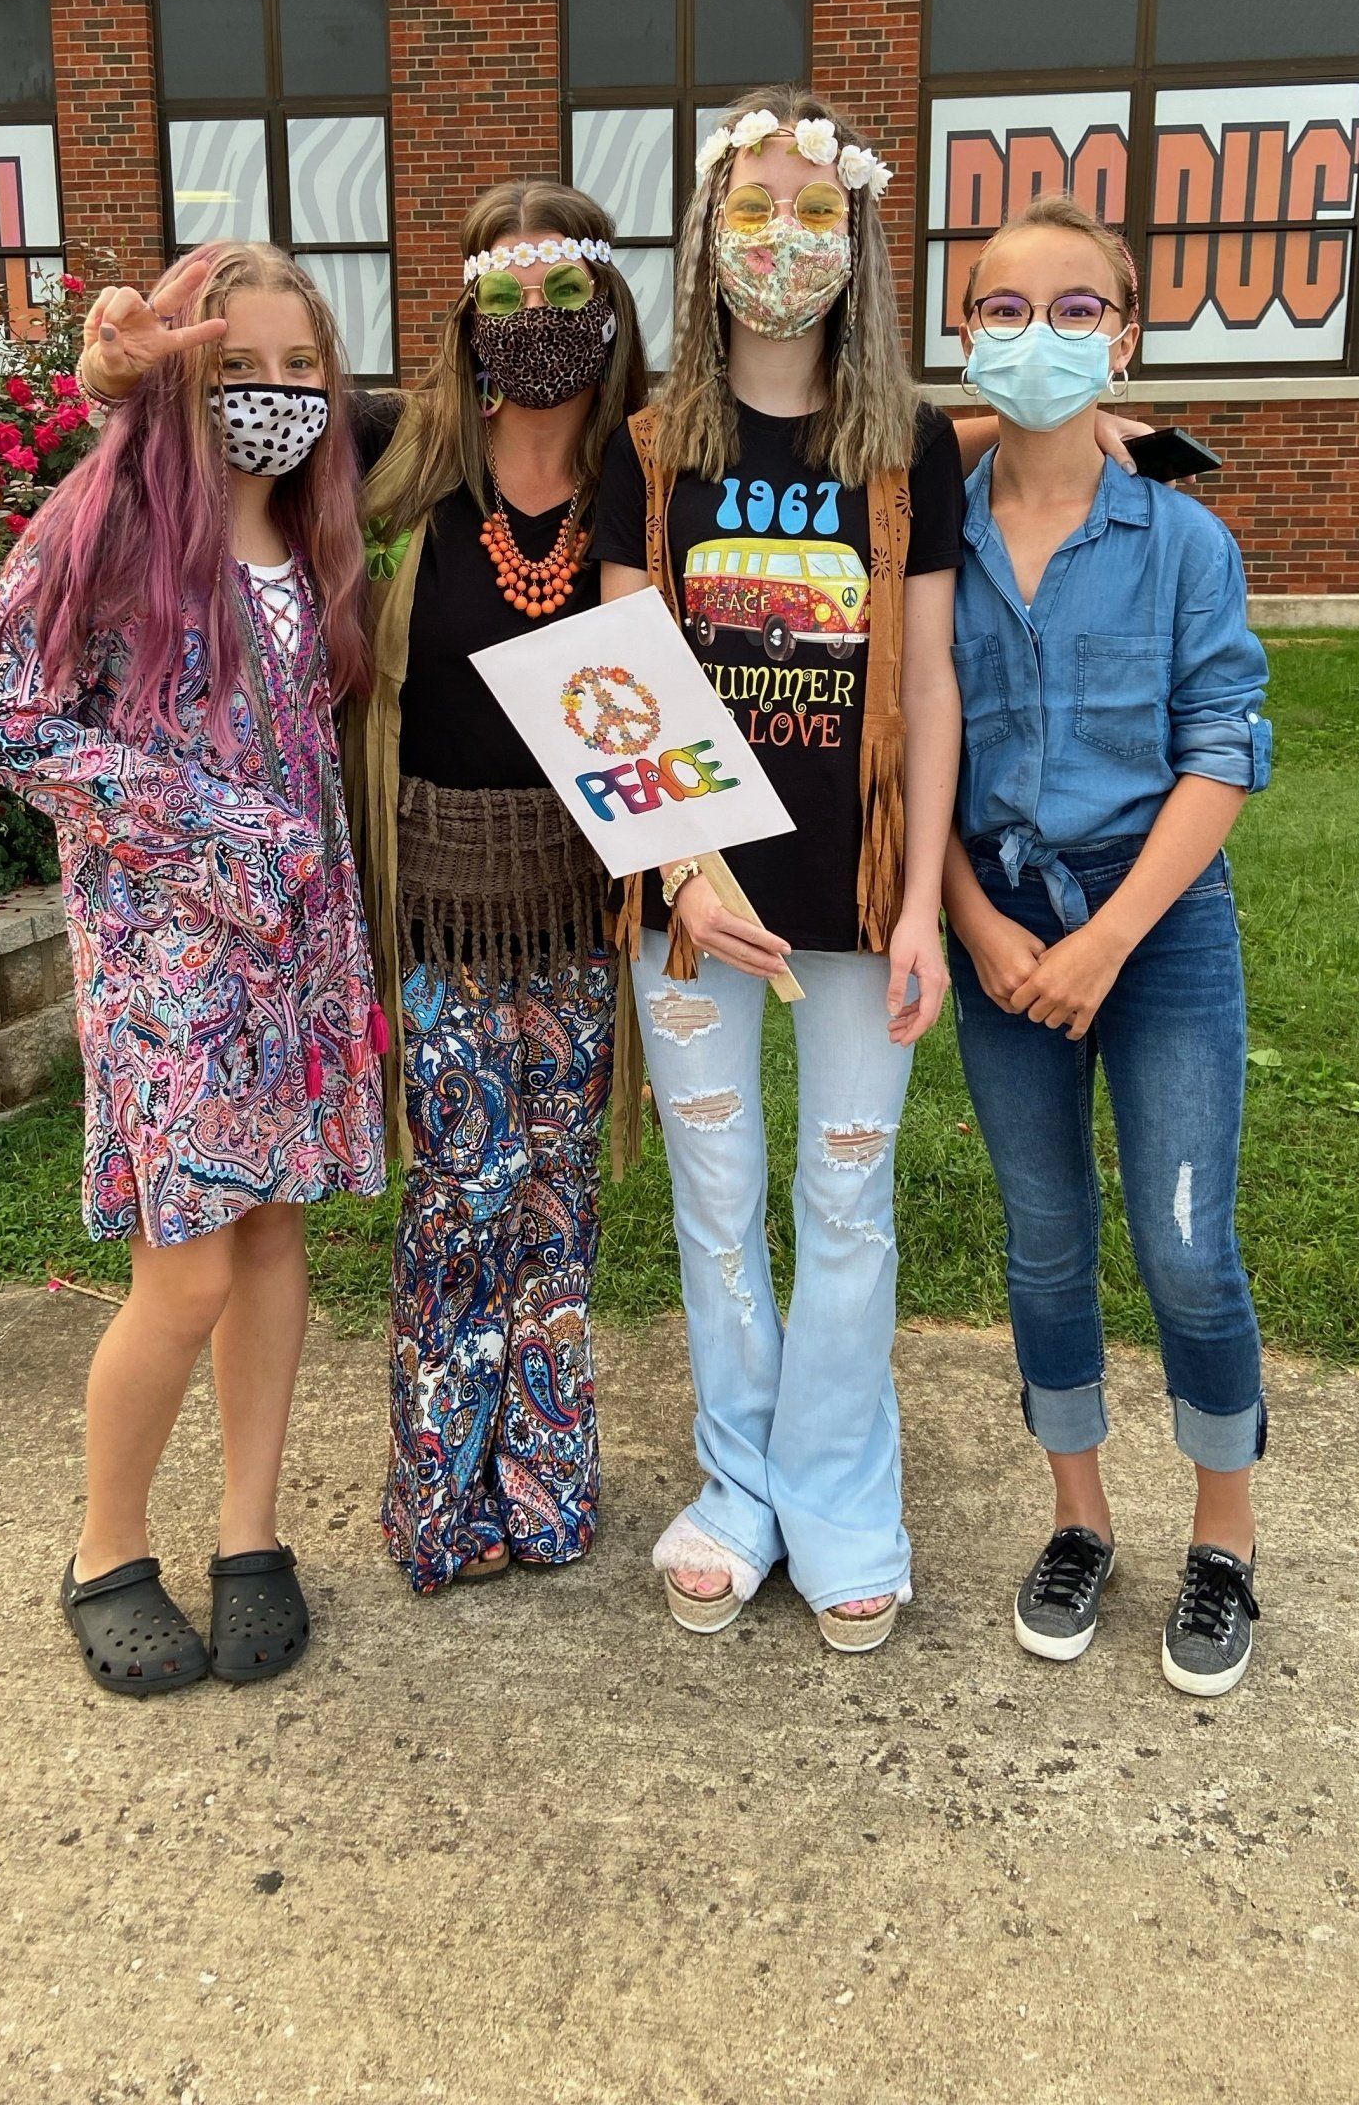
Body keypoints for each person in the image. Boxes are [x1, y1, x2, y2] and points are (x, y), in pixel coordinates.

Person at [0, 242, 385, 1697]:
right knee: (181, 1276)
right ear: (176, 374)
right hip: (167, 967)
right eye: (234, 366)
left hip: (300, 966)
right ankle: (104, 1549)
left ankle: (249, 1537)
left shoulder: (320, 534)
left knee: (271, 1245)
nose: (270, 395)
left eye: (296, 369)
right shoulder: (112, 519)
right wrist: (211, 827)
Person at [593, 88, 964, 1654]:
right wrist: (682, 872)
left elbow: (934, 682)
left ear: (859, 238)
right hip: (699, 912)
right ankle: (740, 1485)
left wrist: (927, 900)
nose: (785, 239)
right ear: (707, 237)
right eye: (756, 209)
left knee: (852, 1199)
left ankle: (842, 1494)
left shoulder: (910, 445)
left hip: (860, 898)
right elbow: (617, 667)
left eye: (817, 213)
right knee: (720, 1200)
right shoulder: (652, 448)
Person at [941, 193, 1273, 1697]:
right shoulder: (925, 546)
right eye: (1004, 310)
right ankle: (1079, 1517)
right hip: (997, 930)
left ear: (1122, 340)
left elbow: (1221, 751)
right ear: (966, 337)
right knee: (1047, 1239)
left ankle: (1224, 1536)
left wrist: (1110, 939)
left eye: (1077, 310)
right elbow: (904, 751)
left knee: (1188, 1249)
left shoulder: (1183, 540)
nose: (1039, 337)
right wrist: (974, 922)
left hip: (1158, 933)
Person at [347, 184, 648, 1593]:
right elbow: (205, 420)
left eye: (567, 300)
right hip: (438, 910)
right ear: (467, 316)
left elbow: (841, 441)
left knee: (557, 1208)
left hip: (581, 909)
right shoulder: (399, 464)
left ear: (612, 311)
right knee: (453, 1205)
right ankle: (441, 1495)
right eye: (508, 302)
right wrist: (122, 358)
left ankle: (544, 1478)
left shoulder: (648, 479)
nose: (537, 330)